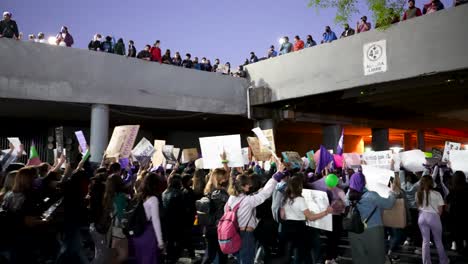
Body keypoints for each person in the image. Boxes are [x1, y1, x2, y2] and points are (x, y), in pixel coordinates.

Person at [225, 162, 287, 264]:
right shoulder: (247, 201)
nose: (250, 186)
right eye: (248, 185)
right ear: (243, 186)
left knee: (240, 259)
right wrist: (277, 175)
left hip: (234, 232)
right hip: (246, 234)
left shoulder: (231, 198)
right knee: (247, 260)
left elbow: (251, 196)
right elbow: (265, 194)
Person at [346, 171, 397, 264]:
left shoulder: (348, 196)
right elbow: (389, 204)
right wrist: (392, 192)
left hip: (353, 231)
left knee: (359, 259)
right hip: (372, 231)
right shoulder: (371, 195)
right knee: (377, 258)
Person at [280, 175, 333, 263]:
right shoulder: (300, 200)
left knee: (292, 254)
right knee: (301, 254)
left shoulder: (285, 198)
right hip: (299, 229)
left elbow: (282, 216)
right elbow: (311, 217)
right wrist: (326, 212)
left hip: (287, 228)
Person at [131, 172, 164, 264]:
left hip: (137, 235)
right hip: (148, 234)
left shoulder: (139, 196)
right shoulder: (153, 199)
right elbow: (155, 221)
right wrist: (160, 241)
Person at [417, 175, 449, 264]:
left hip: (421, 216)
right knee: (438, 241)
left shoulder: (418, 193)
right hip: (433, 217)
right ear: (431, 183)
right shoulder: (437, 194)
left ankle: (426, 262)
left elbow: (418, 207)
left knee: (425, 241)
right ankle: (443, 261)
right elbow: (440, 211)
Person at [103, 174, 129, 263]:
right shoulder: (121, 196)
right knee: (123, 255)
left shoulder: (107, 196)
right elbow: (121, 214)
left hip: (110, 229)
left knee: (113, 255)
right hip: (118, 229)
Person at [162, 174, 185, 264]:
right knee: (177, 241)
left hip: (167, 220)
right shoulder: (179, 194)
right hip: (177, 220)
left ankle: (169, 257)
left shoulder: (164, 192)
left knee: (169, 240)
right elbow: (182, 209)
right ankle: (174, 258)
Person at [447, 171, 468, 254]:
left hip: (456, 216)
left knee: (458, 237)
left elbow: (448, 201)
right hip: (466, 215)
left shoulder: (453, 190)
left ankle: (461, 253)